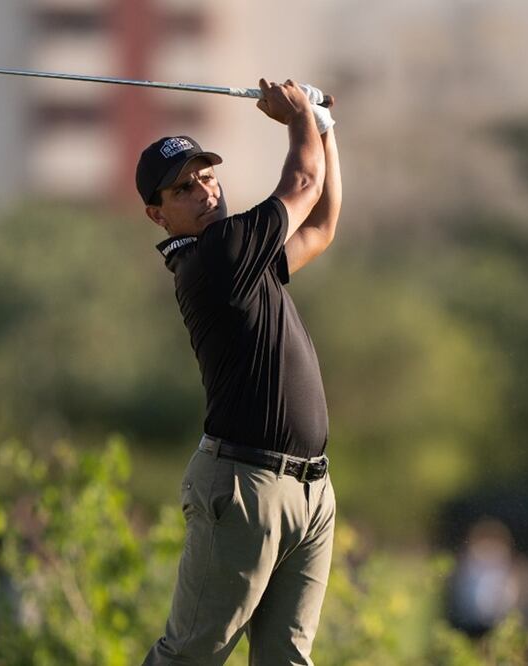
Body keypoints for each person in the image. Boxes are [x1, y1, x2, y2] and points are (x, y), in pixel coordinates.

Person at [138, 78, 342, 665]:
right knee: (191, 655)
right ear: (158, 214)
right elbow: (302, 183)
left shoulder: (243, 258)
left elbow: (321, 226)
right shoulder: (215, 258)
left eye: (206, 176)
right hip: (245, 488)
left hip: (309, 491)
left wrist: (324, 128)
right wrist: (300, 114)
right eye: (183, 188)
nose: (203, 191)